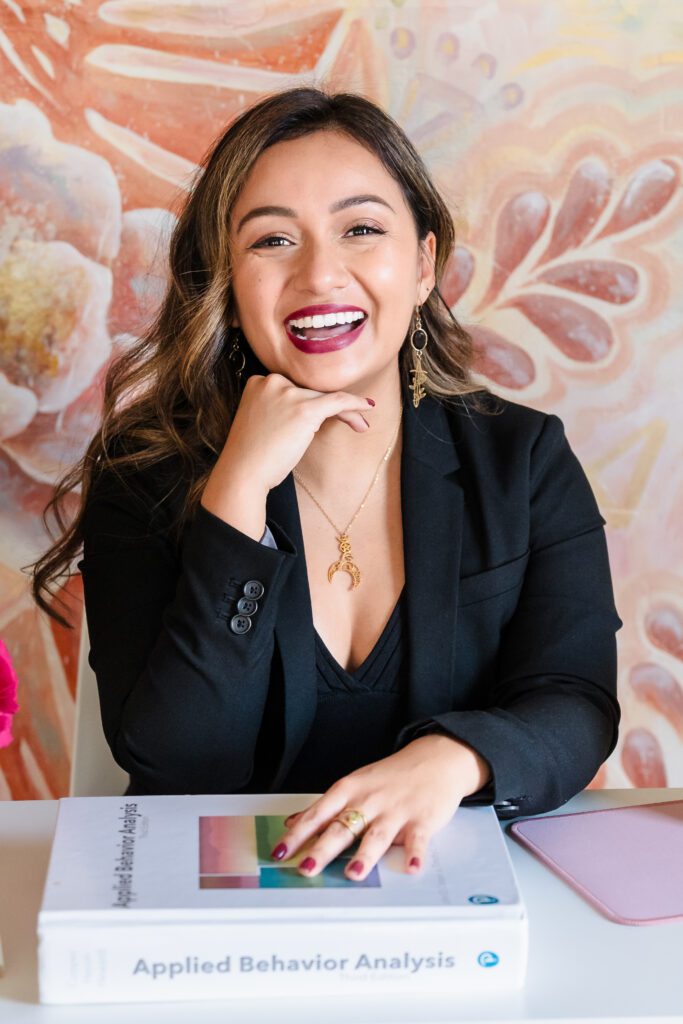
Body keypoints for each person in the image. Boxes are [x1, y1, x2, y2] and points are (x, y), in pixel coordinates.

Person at [31, 85, 622, 884]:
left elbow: (574, 700)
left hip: (450, 891)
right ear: (228, 288)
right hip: (216, 904)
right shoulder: (145, 474)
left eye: (361, 229)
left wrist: (454, 759)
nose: (319, 273)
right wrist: (235, 497)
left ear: (422, 264)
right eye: (273, 241)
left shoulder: (521, 459)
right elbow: (178, 763)